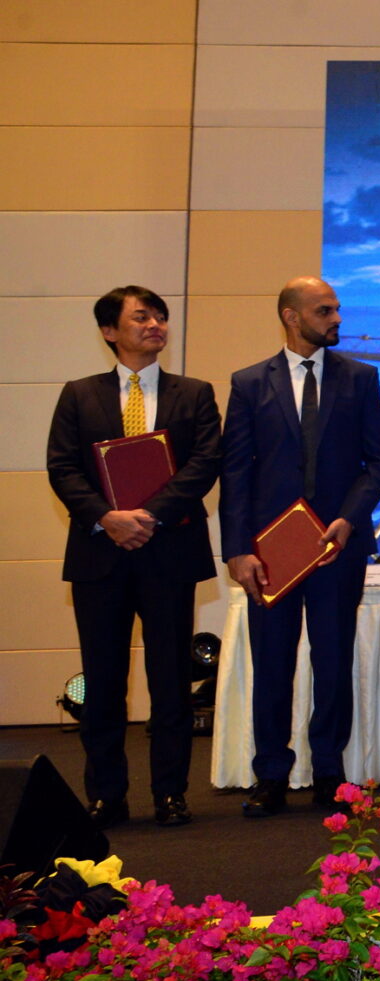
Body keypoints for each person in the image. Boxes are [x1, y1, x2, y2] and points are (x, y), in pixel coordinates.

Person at [45, 287, 221, 829]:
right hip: (100, 554)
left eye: (160, 316)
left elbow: (204, 463)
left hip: (168, 553)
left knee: (171, 681)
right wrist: (109, 518)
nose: (155, 324)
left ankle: (170, 793)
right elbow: (62, 468)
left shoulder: (194, 393)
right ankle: (106, 795)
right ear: (109, 331)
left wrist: (147, 516)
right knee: (103, 683)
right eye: (141, 317)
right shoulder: (79, 395)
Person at [221, 277, 380, 816]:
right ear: (291, 316)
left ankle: (329, 772)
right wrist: (237, 550)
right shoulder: (249, 383)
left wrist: (348, 519)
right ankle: (270, 773)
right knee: (272, 664)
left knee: (334, 661)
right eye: (324, 310)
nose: (337, 318)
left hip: (338, 548)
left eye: (337, 309)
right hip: (271, 552)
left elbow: (378, 462)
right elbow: (235, 474)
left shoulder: (361, 378)